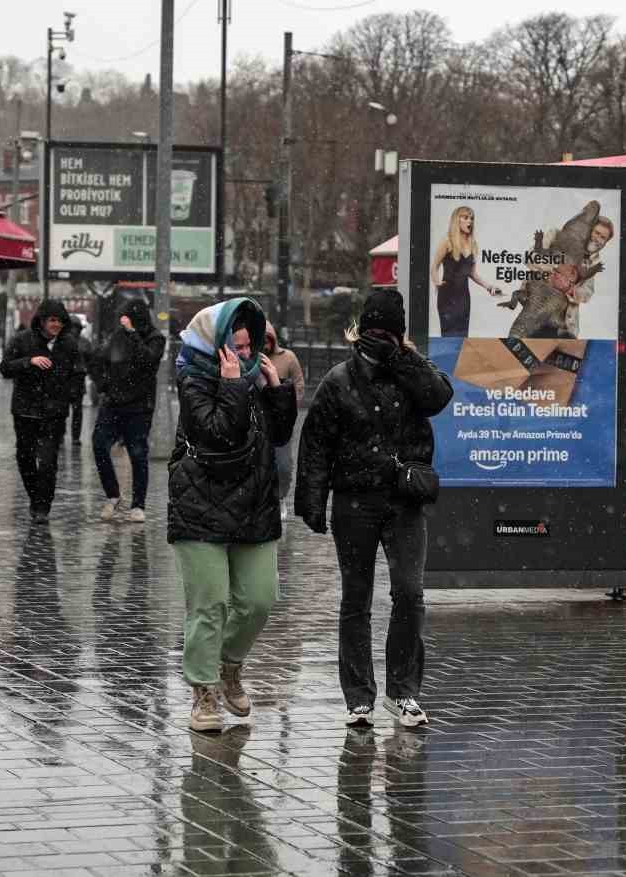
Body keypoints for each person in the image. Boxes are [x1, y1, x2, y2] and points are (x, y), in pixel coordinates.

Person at [295, 288, 453, 729]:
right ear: (360, 331)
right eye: (375, 330)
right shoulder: (339, 379)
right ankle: (359, 697)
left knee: (409, 593)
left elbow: (440, 396)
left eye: (390, 331)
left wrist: (402, 358)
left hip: (404, 502)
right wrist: (312, 501)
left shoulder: (412, 371)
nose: (381, 338)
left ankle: (403, 692)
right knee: (356, 598)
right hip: (355, 502)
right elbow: (317, 443)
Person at [169, 297, 297, 733]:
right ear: (215, 345)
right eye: (237, 347)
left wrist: (275, 387)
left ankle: (229, 666)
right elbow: (219, 435)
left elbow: (280, 435)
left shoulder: (250, 379)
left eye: (249, 346)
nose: (245, 356)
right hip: (200, 505)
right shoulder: (194, 380)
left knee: (260, 598)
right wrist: (234, 386)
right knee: (211, 603)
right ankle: (203, 691)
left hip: (253, 504)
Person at [0, 300, 84, 520]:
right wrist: (29, 362)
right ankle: (35, 498)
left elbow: (78, 373)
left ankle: (42, 508)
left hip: (54, 414)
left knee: (47, 462)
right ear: (42, 321)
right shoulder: (22, 340)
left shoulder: (69, 344)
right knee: (25, 458)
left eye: (60, 321)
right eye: (52, 320)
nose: (56, 325)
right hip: (25, 411)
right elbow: (5, 368)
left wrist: (69, 396)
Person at [90, 298, 166, 522]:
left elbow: (149, 361)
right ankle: (113, 495)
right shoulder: (117, 336)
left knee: (138, 453)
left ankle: (138, 505)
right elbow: (98, 359)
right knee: (99, 445)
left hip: (139, 406)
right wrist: (104, 385)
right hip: (113, 403)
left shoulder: (155, 338)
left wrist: (133, 334)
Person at [430, 205, 502, 337]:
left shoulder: (473, 244)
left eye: (472, 218)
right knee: (449, 338)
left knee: (462, 338)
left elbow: (472, 273)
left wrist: (489, 287)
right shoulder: (447, 242)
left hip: (464, 297)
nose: (470, 221)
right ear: (457, 220)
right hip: (447, 297)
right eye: (466, 217)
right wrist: (437, 282)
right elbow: (434, 267)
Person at [546, 215, 615, 338]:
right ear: (588, 230)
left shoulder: (594, 261)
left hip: (565, 326)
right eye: (596, 233)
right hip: (538, 312)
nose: (598, 239)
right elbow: (531, 257)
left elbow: (586, 293)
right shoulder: (556, 235)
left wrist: (569, 288)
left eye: (603, 237)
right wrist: (558, 268)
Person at [263, 322, 305, 513]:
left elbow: (298, 384)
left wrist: (290, 407)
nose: (265, 344)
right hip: (260, 420)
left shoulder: (288, 358)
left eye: (268, 339)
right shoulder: (251, 357)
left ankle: (280, 497)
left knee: (283, 465)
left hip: (281, 418)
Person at [68, 321, 94, 444]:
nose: (75, 330)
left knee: (77, 410)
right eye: (73, 328)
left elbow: (91, 361)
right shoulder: (62, 341)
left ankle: (75, 437)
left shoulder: (85, 343)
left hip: (78, 380)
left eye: (77, 328)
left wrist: (85, 370)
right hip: (63, 380)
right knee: (61, 410)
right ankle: (61, 435)